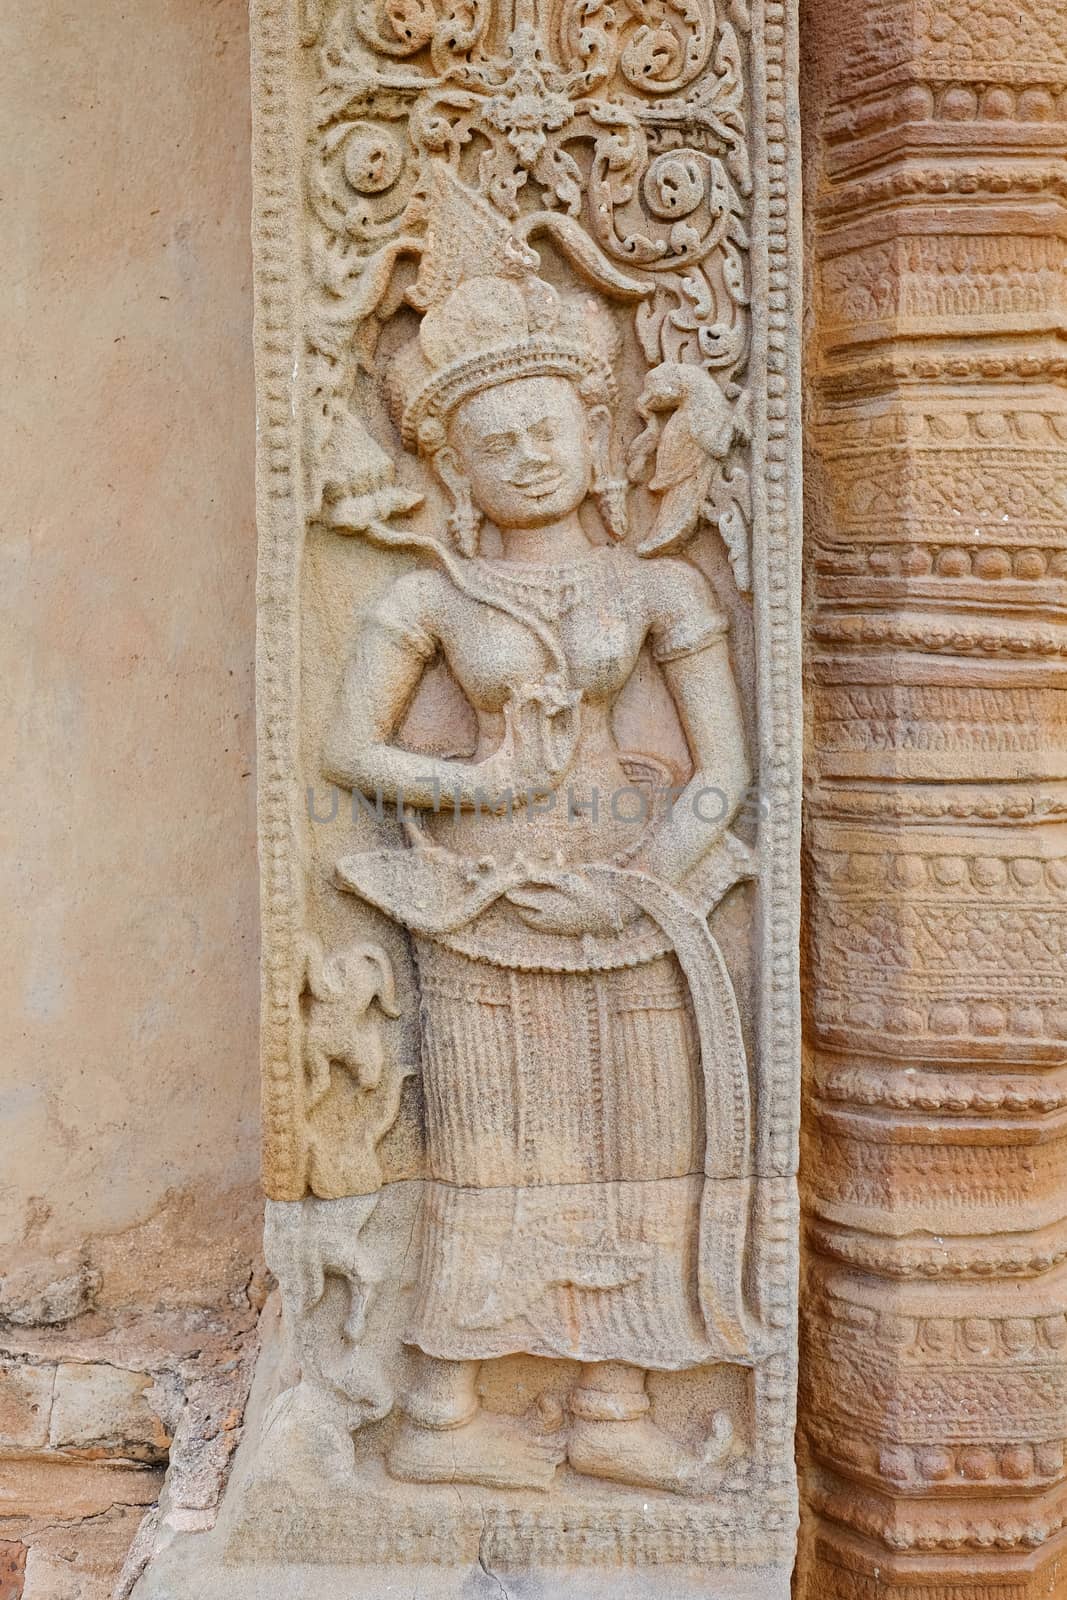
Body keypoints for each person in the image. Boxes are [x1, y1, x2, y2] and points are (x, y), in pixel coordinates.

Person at [324, 254, 757, 1497]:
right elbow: (351, 749)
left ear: (595, 433)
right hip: (482, 908)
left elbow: (721, 768)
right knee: (491, 1149)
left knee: (641, 1139)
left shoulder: (657, 584)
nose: (525, 451)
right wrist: (485, 787)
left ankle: (613, 1402)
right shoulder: (428, 596)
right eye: (492, 436)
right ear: (450, 469)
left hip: (635, 909)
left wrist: (644, 880)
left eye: (547, 425)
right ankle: (440, 1406)